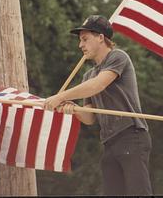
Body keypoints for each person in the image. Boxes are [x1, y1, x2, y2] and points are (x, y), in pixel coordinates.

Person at [43, 15, 153, 196]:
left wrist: (60, 96)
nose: (80, 45)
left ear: (101, 37)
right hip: (109, 142)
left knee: (138, 192)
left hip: (131, 135)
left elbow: (98, 85)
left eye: (85, 39)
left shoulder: (118, 57)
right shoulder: (88, 75)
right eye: (80, 41)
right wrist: (73, 109)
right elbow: (90, 118)